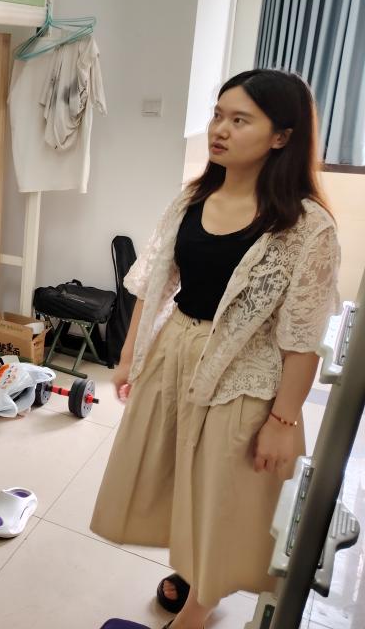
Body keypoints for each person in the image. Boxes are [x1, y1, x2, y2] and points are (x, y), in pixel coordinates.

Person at [91, 69, 341, 629]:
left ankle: (197, 609)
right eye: (217, 115)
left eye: (240, 120)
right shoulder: (193, 197)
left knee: (222, 492)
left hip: (245, 372)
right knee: (179, 474)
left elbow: (303, 339)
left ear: (281, 136)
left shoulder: (307, 227)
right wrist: (130, 357)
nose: (219, 130)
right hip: (177, 352)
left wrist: (283, 419)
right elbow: (156, 282)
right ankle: (195, 567)